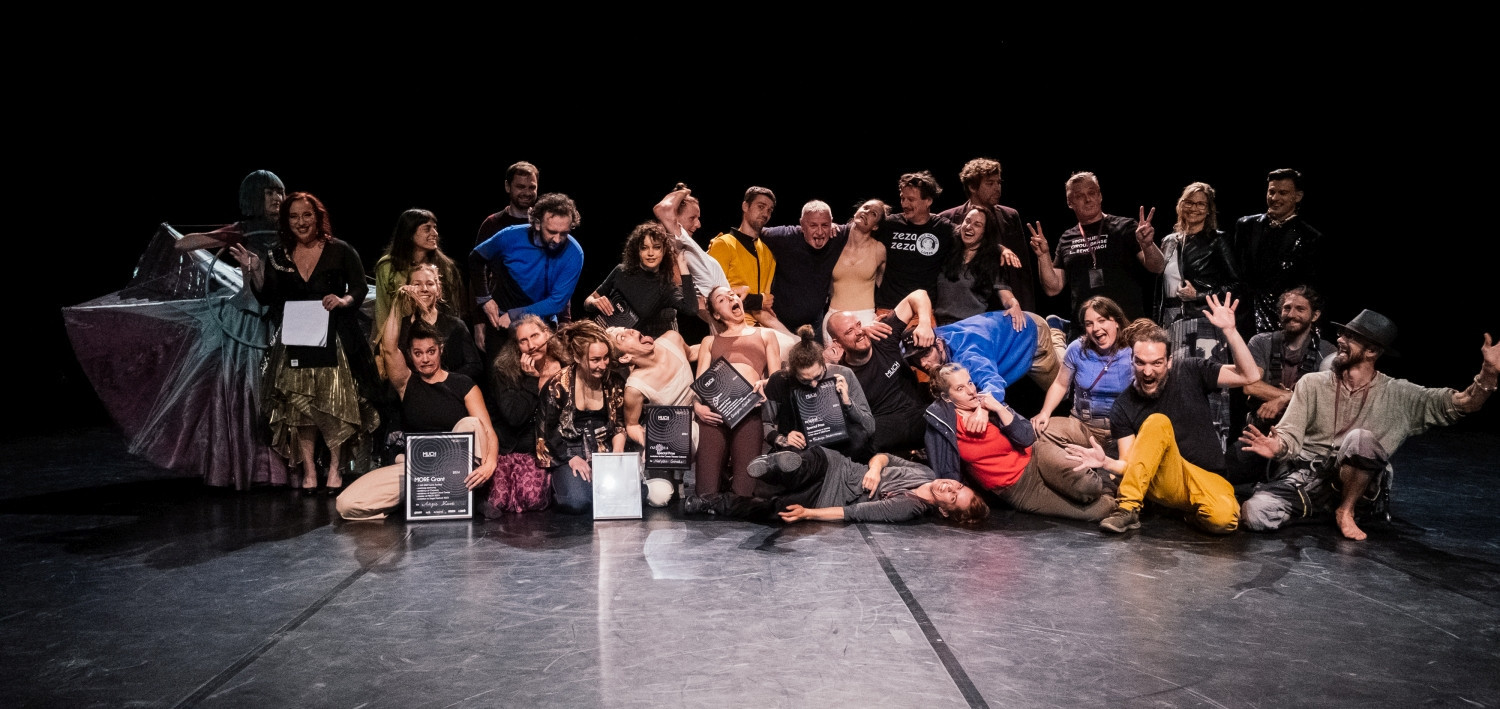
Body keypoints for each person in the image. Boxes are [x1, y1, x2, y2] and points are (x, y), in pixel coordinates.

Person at [1238, 313, 1498, 541]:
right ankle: (1316, 512)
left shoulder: (1399, 394)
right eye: (1342, 334)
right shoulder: (1312, 383)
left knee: (1360, 439)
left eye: (1350, 337)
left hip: (1358, 486)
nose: (1340, 340)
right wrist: (1277, 445)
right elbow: (1289, 433)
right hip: (1308, 480)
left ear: (1372, 351)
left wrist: (1488, 374)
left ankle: (1346, 509)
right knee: (1255, 514)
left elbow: (1464, 403)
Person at [1065, 294, 1261, 535]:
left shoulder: (1190, 370)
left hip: (1207, 478)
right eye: (1140, 363)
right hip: (1164, 480)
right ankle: (1127, 508)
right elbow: (1131, 465)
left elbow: (1250, 376)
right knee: (1157, 422)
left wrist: (1230, 331)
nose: (1148, 371)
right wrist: (1106, 462)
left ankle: (1186, 513)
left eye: (1156, 363)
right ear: (1131, 361)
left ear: (1169, 362)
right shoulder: (1124, 406)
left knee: (1224, 521)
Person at [241, 192, 379, 493]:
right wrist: (254, 272)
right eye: (293, 217)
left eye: (306, 215)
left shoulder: (340, 250)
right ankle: (309, 471)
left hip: (335, 337)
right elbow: (267, 297)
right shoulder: (278, 256)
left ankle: (335, 469)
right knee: (300, 408)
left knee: (334, 403)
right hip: (295, 339)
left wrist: (342, 300)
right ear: (286, 221)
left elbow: (358, 288)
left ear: (318, 217)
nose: (301, 222)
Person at [337, 318, 498, 521]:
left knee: (471, 423)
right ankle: (417, 499)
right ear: (410, 355)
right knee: (345, 504)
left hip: (457, 469)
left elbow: (488, 431)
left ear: (440, 350)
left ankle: (469, 496)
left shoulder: (463, 384)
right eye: (418, 353)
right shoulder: (406, 384)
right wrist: (397, 303)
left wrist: (490, 464)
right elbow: (389, 348)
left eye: (431, 351)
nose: (425, 359)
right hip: (417, 468)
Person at [925, 363, 1115, 521]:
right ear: (946, 397)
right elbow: (945, 469)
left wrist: (997, 409)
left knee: (1089, 487)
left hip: (1036, 456)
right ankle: (1114, 493)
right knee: (1099, 511)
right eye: (960, 389)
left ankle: (1109, 477)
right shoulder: (942, 424)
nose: (970, 391)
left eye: (970, 383)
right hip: (1019, 490)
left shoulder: (988, 403)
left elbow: (1026, 437)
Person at [684, 448, 988, 526]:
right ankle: (777, 465)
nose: (949, 487)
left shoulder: (909, 507)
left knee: (774, 512)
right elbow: (884, 456)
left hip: (824, 496)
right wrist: (875, 469)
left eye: (953, 497)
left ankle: (711, 502)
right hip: (836, 465)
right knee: (806, 465)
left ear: (945, 511)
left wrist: (808, 514)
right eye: (958, 486)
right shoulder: (925, 471)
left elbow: (853, 512)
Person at [1157, 182, 1240, 449]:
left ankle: (1214, 448)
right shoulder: (1169, 241)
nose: (1194, 208)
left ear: (1209, 209)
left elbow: (1236, 284)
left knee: (1209, 384)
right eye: (1189, 202)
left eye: (1200, 204)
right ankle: (1177, 447)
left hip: (1204, 320)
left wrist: (1201, 294)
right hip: (1171, 321)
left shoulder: (1217, 239)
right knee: (1174, 384)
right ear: (1180, 205)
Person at [1226, 286, 1335, 484]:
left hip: (1304, 438)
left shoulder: (1328, 352)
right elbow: (1250, 386)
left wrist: (1284, 399)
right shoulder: (1261, 342)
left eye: (1300, 309)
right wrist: (1286, 396)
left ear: (1315, 315)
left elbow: (1325, 400)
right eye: (1287, 308)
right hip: (1260, 431)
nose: (1291, 314)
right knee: (1228, 474)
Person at [1028, 172, 1165, 320]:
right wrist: (1043, 256)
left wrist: (1148, 245)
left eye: (1092, 193)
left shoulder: (1125, 227)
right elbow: (1053, 288)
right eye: (1079, 196)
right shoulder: (1067, 238)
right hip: (1086, 327)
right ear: (1069, 202)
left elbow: (1157, 267)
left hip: (1126, 324)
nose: (1087, 199)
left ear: (1100, 196)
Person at [694, 286, 781, 497]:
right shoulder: (710, 341)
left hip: (748, 410)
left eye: (732, 294)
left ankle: (732, 487)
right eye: (722, 299)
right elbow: (699, 384)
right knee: (705, 492)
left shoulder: (765, 334)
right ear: (716, 314)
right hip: (714, 413)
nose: (731, 298)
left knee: (745, 493)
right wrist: (698, 408)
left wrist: (765, 384)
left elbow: (777, 378)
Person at [469, 192, 584, 350]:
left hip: (540, 324)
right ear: (537, 224)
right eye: (552, 232)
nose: (558, 239)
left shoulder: (575, 253)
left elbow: (557, 302)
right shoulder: (510, 236)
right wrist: (484, 299)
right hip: (501, 321)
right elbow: (475, 259)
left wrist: (514, 315)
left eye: (564, 233)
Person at [827, 289, 935, 454]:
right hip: (886, 429)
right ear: (837, 342)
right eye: (849, 331)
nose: (859, 332)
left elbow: (918, 295)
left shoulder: (881, 335)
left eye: (858, 325)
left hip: (919, 411)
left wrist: (925, 323)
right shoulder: (844, 375)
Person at [537, 321, 628, 514]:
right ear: (577, 357)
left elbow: (619, 423)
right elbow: (546, 432)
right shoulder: (557, 386)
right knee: (578, 501)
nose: (602, 365)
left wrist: (617, 454)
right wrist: (569, 458)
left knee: (631, 497)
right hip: (568, 452)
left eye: (605, 358)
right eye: (595, 360)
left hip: (604, 450)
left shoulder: (613, 382)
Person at [1032, 296, 1138, 458]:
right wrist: (1045, 412)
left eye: (1102, 320)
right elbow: (1060, 384)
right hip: (1084, 426)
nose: (1096, 328)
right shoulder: (1077, 348)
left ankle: (1057, 332)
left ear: (1116, 322)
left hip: (1123, 431)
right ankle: (1056, 331)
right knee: (1041, 432)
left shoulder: (1134, 350)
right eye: (1089, 324)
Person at [902, 305, 1065, 405]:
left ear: (938, 344)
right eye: (916, 358)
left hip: (1029, 334)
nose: (922, 363)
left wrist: (982, 411)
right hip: (1000, 333)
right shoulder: (928, 338)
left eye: (926, 354)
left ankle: (1056, 331)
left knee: (1062, 390)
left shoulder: (968, 356)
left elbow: (994, 385)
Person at [484, 315, 563, 513]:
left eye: (535, 336)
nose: (531, 345)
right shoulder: (504, 371)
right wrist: (531, 381)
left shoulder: (565, 365)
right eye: (523, 341)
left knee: (539, 497)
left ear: (547, 334)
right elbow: (514, 417)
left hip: (556, 444)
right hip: (520, 446)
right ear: (516, 346)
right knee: (518, 499)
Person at [763, 325, 876, 462]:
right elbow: (764, 424)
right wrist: (781, 439)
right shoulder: (780, 381)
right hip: (803, 450)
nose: (813, 384)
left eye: (818, 377)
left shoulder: (843, 374)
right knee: (794, 458)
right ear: (792, 372)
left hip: (842, 444)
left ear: (823, 364)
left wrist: (848, 403)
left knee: (859, 439)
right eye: (805, 380)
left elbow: (869, 427)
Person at [1233, 168, 1325, 334]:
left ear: (1298, 196)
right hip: (1242, 316)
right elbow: (1236, 273)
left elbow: (1309, 287)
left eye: (1283, 193)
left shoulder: (1310, 237)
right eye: (1271, 192)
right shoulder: (1246, 225)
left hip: (1281, 320)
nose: (1275, 198)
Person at [938, 158, 1035, 310]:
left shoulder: (1010, 216)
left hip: (1004, 307)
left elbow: (1021, 271)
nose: (997, 188)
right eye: (990, 183)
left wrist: (1026, 309)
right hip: (965, 309)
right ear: (972, 187)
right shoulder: (947, 218)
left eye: (999, 182)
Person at [583, 221, 697, 338]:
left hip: (626, 345)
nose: (650, 253)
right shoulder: (621, 271)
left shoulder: (665, 287)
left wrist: (682, 265)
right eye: (644, 248)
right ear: (638, 250)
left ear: (664, 251)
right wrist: (594, 302)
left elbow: (692, 309)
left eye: (656, 247)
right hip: (599, 335)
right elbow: (588, 301)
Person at [757, 200, 847, 336]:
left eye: (825, 225)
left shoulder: (837, 235)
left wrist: (832, 226)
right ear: (802, 225)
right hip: (779, 323)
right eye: (813, 225)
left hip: (814, 325)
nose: (820, 232)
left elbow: (862, 225)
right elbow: (752, 230)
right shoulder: (784, 237)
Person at [876, 171, 958, 315]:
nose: (904, 204)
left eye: (911, 199)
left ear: (928, 201)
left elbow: (975, 238)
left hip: (922, 312)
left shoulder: (943, 228)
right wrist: (836, 228)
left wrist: (999, 249)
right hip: (888, 308)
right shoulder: (889, 224)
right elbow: (857, 231)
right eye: (902, 198)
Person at [373, 208, 467, 333]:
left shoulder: (446, 267)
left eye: (435, 228)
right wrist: (387, 342)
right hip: (398, 334)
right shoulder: (388, 266)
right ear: (409, 233)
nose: (435, 233)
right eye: (427, 229)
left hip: (436, 336)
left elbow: (453, 310)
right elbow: (382, 311)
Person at [932, 204, 1026, 326]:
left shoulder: (992, 260)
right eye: (967, 221)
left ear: (985, 232)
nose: (969, 227)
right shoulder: (947, 248)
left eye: (977, 225)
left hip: (972, 327)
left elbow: (1005, 294)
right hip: (940, 326)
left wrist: (1014, 304)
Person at [707, 186, 780, 329]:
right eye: (761, 206)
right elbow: (710, 294)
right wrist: (758, 301)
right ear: (745, 206)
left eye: (770, 210)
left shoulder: (768, 253)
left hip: (762, 327)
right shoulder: (723, 244)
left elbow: (766, 302)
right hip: (731, 328)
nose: (765, 213)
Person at [174, 169, 286, 257]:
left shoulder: (291, 225)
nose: (277, 198)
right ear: (254, 197)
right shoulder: (244, 230)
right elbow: (181, 244)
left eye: (280, 193)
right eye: (269, 193)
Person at [824, 199, 888, 342]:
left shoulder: (879, 250)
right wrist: (829, 226)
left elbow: (885, 285)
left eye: (873, 214)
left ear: (875, 226)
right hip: (834, 317)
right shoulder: (834, 241)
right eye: (865, 208)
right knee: (832, 357)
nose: (867, 212)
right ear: (856, 211)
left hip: (864, 319)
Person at [475, 161, 539, 248]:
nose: (527, 193)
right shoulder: (492, 224)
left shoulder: (545, 222)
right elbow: (479, 256)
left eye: (532, 187)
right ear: (507, 186)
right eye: (520, 187)